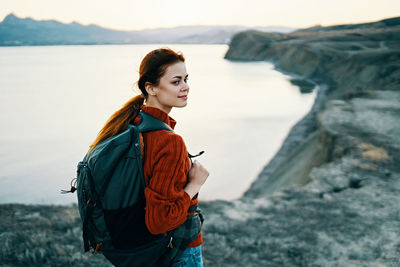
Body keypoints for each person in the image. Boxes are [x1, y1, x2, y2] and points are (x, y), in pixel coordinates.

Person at [88, 47, 209, 266]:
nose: (186, 87)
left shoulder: (132, 125)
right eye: (176, 81)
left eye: (186, 79)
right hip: (178, 252)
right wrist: (195, 184)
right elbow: (160, 221)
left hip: (146, 251)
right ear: (151, 88)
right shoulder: (169, 142)